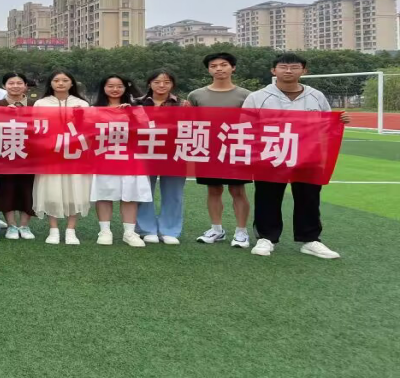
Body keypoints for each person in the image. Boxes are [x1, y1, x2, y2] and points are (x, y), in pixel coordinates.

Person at [245, 53, 349, 260]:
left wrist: (339, 120)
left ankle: (310, 240)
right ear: (273, 70)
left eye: (294, 67)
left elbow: (326, 124)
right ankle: (266, 238)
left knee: (308, 197)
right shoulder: (257, 97)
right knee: (267, 196)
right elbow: (245, 124)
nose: (288, 71)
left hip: (308, 155)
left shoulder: (316, 96)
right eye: (283, 67)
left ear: (304, 70)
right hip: (271, 153)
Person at [187, 53, 254, 248]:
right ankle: (216, 229)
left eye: (223, 65)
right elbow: (191, 122)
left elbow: (254, 123)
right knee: (213, 189)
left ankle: (241, 232)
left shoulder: (247, 96)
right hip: (208, 149)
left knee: (237, 190)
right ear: (208, 70)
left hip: (236, 148)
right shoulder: (196, 95)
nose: (219, 69)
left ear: (233, 67)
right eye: (213, 66)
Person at [32, 70, 91, 245]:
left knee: (75, 190)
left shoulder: (82, 103)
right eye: (56, 80)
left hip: (75, 154)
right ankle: (53, 229)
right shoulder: (41, 103)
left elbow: (89, 129)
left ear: (72, 83)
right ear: (50, 83)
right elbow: (35, 128)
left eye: (65, 80)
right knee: (51, 191)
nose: (60, 83)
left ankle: (71, 230)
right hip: (50, 154)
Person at [90, 75, 150, 247]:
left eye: (119, 86)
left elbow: (146, 129)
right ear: (103, 88)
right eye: (110, 86)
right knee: (104, 194)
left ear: (125, 88)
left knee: (130, 195)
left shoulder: (136, 108)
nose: (115, 89)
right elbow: (87, 130)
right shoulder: (94, 109)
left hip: (130, 157)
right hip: (104, 156)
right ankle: (104, 231)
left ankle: (129, 233)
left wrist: (132, 112)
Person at [134, 69, 187, 245]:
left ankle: (169, 230)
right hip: (144, 153)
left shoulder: (183, 104)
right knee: (143, 191)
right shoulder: (137, 103)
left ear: (173, 84)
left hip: (174, 154)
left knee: (174, 193)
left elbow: (191, 126)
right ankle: (146, 229)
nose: (161, 85)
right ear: (149, 84)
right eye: (157, 82)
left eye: (166, 82)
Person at [0, 73, 37, 240]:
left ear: (25, 86)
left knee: (29, 189)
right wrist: (3, 114)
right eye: (11, 83)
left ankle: (25, 226)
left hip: (31, 154)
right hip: (5, 154)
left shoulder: (36, 105)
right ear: (4, 86)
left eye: (19, 83)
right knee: (7, 189)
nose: (15, 86)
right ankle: (11, 225)